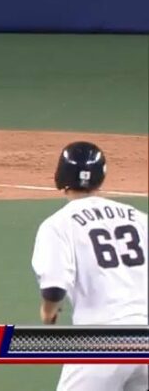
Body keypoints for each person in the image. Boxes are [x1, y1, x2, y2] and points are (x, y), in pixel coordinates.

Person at [31, 141, 148, 391]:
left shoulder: (57, 225)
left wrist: (48, 313)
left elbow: (54, 288)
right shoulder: (139, 218)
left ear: (61, 176)